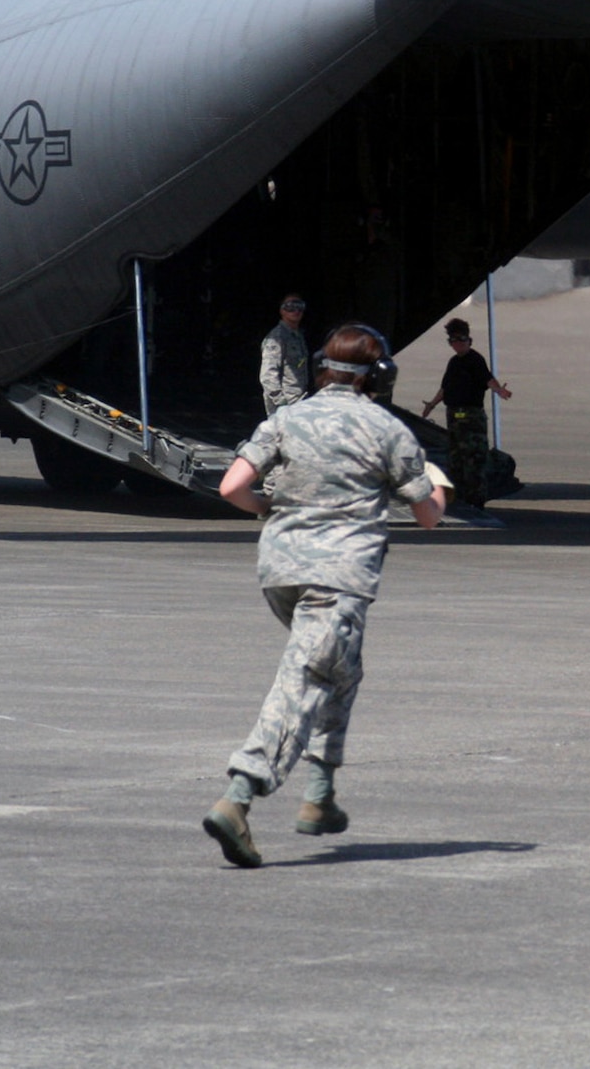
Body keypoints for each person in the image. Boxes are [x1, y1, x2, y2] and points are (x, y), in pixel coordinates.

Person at [201, 324, 447, 869]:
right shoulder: (386, 428)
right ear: (380, 376)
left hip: (280, 570)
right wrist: (439, 483)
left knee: (341, 669)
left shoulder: (287, 418)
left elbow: (231, 487)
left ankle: (320, 793)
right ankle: (238, 797)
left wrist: (271, 512)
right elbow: (429, 513)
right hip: (339, 578)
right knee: (305, 680)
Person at [419, 317, 512, 508]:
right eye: (453, 341)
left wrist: (499, 391)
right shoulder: (454, 362)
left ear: (469, 340)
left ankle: (476, 502)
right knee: (456, 460)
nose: (458, 344)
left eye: (462, 340)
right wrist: (432, 405)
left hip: (472, 417)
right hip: (454, 416)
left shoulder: (475, 360)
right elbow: (445, 388)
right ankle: (460, 500)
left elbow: (487, 379)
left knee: (475, 460)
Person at [258, 294, 310, 416]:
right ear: (282, 310)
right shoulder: (277, 337)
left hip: (298, 401)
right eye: (290, 307)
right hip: (284, 405)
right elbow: (268, 375)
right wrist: (281, 402)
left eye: (299, 306)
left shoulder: (298, 336)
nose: (296, 311)